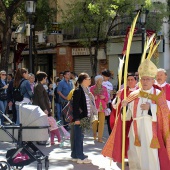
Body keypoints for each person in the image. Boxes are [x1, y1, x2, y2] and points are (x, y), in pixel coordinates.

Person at [121, 59, 170, 170]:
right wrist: (125, 107)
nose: (145, 82)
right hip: (135, 130)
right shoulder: (133, 94)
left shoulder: (158, 94)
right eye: (143, 79)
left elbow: (165, 112)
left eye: (148, 79)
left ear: (153, 81)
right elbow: (126, 117)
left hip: (151, 131)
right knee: (135, 154)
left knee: (150, 154)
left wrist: (151, 108)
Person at [102, 73, 138, 163]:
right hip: (124, 120)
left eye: (132, 80)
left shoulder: (140, 91)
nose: (130, 82)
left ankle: (135, 157)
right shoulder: (123, 91)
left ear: (136, 81)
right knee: (124, 138)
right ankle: (125, 156)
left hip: (136, 120)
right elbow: (114, 106)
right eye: (128, 80)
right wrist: (117, 98)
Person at [71, 72, 97, 164]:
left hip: (85, 117)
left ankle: (75, 155)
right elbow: (75, 106)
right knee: (79, 137)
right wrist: (77, 118)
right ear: (84, 80)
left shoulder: (86, 90)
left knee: (78, 136)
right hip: (80, 118)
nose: (90, 80)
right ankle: (80, 157)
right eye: (88, 78)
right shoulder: (78, 90)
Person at [90, 75, 108, 143]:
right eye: (99, 80)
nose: (100, 81)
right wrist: (93, 98)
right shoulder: (92, 88)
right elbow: (89, 98)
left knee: (101, 123)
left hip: (102, 107)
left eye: (101, 80)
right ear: (96, 81)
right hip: (95, 108)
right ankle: (94, 134)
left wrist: (104, 97)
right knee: (94, 122)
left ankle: (100, 137)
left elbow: (107, 99)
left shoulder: (105, 88)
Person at [101, 69, 113, 135]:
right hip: (101, 103)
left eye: (106, 76)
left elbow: (111, 93)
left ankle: (110, 133)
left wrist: (110, 96)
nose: (104, 77)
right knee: (100, 119)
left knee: (109, 118)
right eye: (103, 76)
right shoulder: (100, 83)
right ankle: (99, 134)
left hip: (108, 102)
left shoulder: (110, 84)